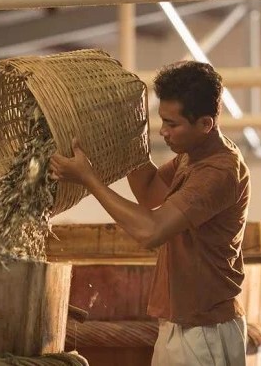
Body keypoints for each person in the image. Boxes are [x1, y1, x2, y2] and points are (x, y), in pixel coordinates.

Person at [50, 61, 250, 366]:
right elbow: (148, 190)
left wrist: (88, 178)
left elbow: (151, 231)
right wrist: (126, 136)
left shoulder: (219, 171)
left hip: (205, 330)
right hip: (182, 324)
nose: (163, 131)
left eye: (172, 124)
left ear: (205, 124)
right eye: (162, 121)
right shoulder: (192, 155)